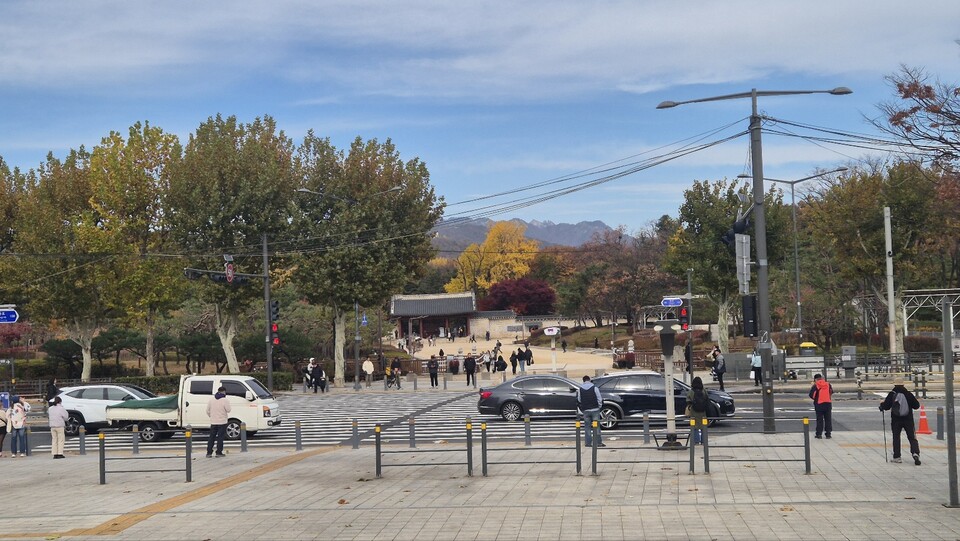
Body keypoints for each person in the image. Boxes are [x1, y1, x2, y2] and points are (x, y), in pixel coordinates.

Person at [879, 377, 921, 465]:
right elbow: (916, 406)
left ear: (894, 384)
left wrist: (881, 405)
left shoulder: (892, 394)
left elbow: (886, 406)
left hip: (896, 419)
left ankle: (897, 457)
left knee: (896, 437)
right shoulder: (908, 394)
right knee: (911, 437)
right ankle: (915, 453)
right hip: (908, 419)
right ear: (903, 384)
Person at [577, 376, 605, 448]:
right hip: (595, 409)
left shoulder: (580, 389)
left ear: (583, 381)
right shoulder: (595, 388)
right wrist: (599, 406)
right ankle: (599, 442)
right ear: (589, 380)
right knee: (597, 426)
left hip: (586, 410)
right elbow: (599, 398)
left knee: (587, 427)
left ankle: (588, 443)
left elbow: (579, 400)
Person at [206, 386, 231, 458]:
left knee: (211, 437)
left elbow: (207, 410)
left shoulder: (211, 400)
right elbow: (228, 410)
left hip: (213, 421)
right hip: (222, 421)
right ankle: (219, 452)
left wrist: (212, 416)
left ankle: (209, 452)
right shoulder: (225, 400)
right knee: (220, 437)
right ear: (224, 392)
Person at [808, 374, 833, 439]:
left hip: (819, 404)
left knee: (819, 420)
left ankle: (819, 434)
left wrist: (816, 399)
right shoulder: (828, 384)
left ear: (815, 379)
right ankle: (828, 434)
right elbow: (831, 392)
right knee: (828, 419)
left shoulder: (816, 385)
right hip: (828, 404)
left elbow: (811, 395)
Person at [685, 377, 708, 444]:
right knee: (703, 426)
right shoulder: (703, 391)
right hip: (703, 411)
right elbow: (707, 398)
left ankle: (696, 441)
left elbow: (688, 400)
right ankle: (703, 441)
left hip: (694, 411)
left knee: (694, 426)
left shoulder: (691, 391)